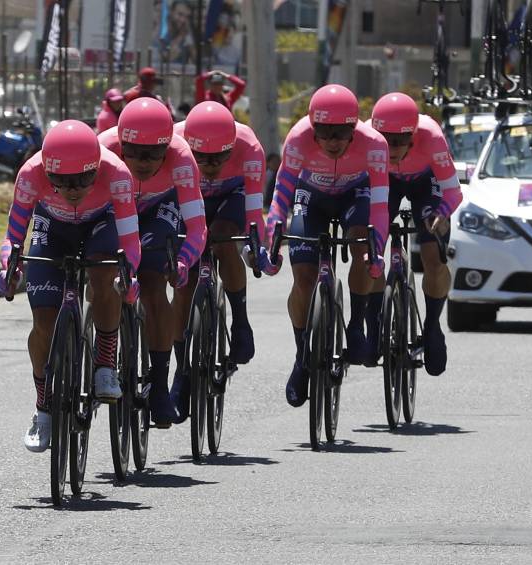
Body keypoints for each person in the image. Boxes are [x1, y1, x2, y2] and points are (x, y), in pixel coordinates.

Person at [0, 120, 141, 452]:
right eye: (61, 181)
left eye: (83, 179)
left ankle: (105, 364)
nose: (74, 188)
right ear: (48, 172)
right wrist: (9, 268)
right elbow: (13, 237)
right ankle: (43, 409)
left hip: (100, 224)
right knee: (44, 323)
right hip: (53, 228)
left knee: (105, 275)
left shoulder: (117, 173)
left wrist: (128, 276)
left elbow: (130, 243)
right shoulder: (30, 173)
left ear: (96, 168)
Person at [265, 84, 390, 407]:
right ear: (313, 128)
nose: (332, 141)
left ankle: (356, 323)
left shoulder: (374, 144)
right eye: (324, 133)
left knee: (362, 249)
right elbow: (280, 196)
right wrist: (273, 235)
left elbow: (379, 206)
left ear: (354, 129)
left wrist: (376, 250)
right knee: (304, 279)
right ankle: (301, 354)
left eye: (341, 133)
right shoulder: (297, 138)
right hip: (312, 199)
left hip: (355, 196)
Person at [99, 98, 207, 427]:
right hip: (114, 207)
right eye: (132, 152)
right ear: (121, 143)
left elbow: (198, 228)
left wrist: (184, 262)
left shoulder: (182, 159)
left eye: (153, 154)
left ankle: (160, 385)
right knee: (100, 275)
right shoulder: (103, 148)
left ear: (167, 147)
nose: (142, 162)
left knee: (153, 285)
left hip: (160, 208)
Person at [168, 101, 272, 421]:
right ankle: (181, 370)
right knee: (183, 282)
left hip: (232, 196)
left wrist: (258, 246)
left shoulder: (249, 146)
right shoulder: (174, 142)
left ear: (232, 147)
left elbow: (255, 212)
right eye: (203, 158)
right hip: (188, 196)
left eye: (220, 157)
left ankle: (239, 321)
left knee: (226, 239)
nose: (212, 165)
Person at [369, 92, 463, 375]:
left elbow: (454, 192)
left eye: (400, 140)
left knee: (433, 254)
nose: (393, 146)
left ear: (414, 133)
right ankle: (373, 324)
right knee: (369, 248)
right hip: (387, 181)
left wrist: (441, 214)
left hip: (426, 182)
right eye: (385, 139)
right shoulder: (367, 139)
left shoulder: (431, 137)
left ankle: (432, 325)